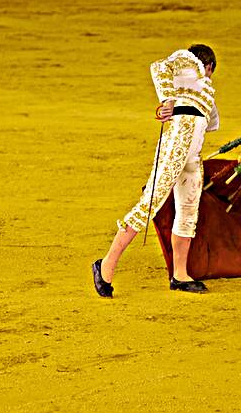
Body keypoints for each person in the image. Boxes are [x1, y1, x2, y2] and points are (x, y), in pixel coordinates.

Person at [92, 44, 220, 297]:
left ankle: (180, 275)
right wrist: (167, 101)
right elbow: (160, 67)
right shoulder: (188, 62)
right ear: (208, 66)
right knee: (151, 202)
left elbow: (212, 123)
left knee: (188, 211)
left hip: (193, 156)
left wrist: (170, 107)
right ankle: (105, 266)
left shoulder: (207, 93)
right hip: (176, 148)